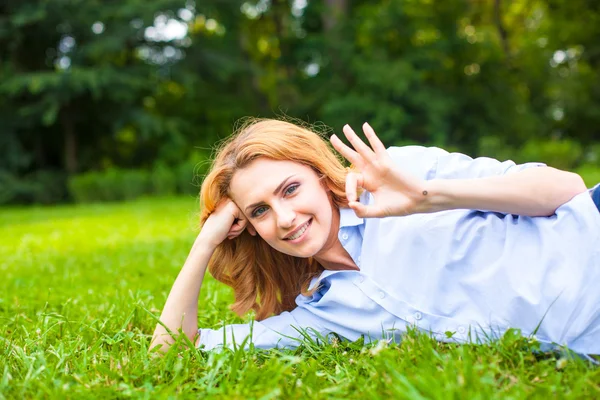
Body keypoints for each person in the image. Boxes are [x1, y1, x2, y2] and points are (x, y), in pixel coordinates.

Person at [150, 118, 600, 356]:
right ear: (248, 228)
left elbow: (567, 190)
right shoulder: (325, 314)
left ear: (319, 174)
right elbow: (172, 350)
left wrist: (427, 196)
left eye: (290, 189)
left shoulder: (395, 172)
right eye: (260, 211)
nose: (285, 218)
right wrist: (206, 241)